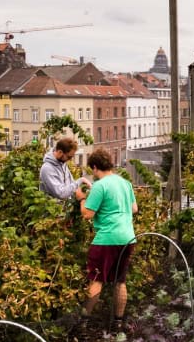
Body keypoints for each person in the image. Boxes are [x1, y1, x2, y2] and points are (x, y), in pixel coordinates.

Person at [78, 148, 137, 329]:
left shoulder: (99, 185)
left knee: (96, 280)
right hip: (128, 237)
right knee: (120, 281)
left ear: (95, 167)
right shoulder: (125, 183)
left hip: (107, 239)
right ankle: (118, 323)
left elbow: (87, 214)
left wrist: (81, 199)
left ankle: (83, 324)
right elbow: (134, 209)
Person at [39, 137, 90, 201]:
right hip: (51, 206)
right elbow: (61, 194)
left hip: (64, 205)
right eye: (69, 157)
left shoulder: (62, 163)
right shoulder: (47, 169)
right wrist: (81, 180)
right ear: (60, 152)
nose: (70, 159)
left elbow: (71, 184)